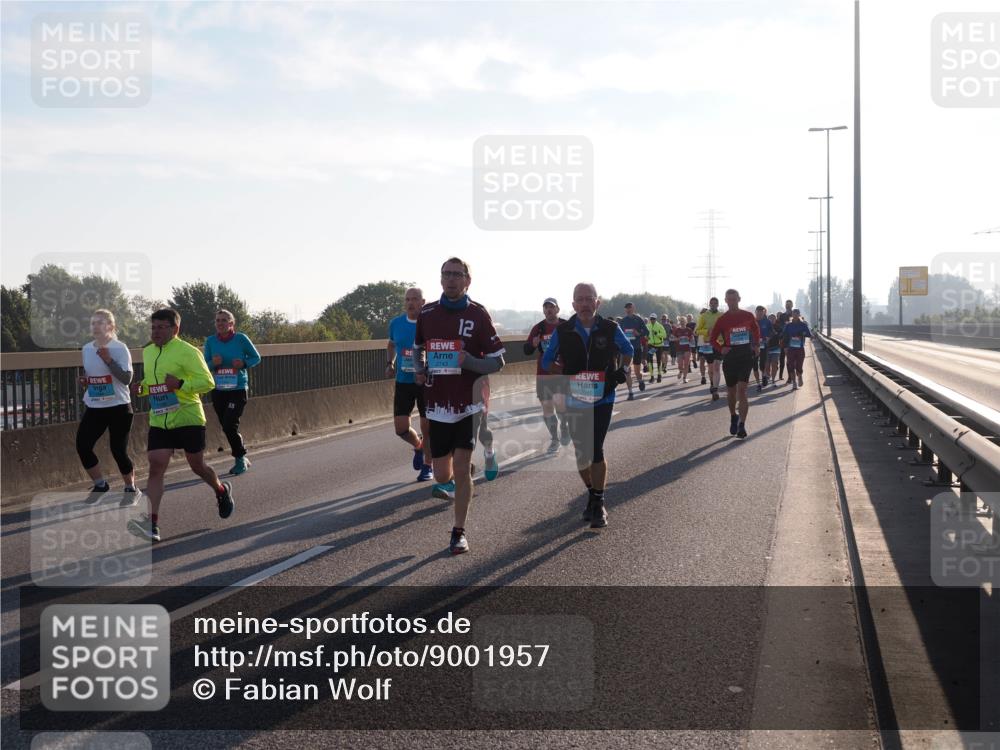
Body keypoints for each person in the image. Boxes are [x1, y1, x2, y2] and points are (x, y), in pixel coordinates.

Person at [414, 258, 505, 555]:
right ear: (440, 280)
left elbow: (498, 360)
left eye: (457, 275)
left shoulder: (477, 314)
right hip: (438, 404)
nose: (451, 279)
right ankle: (453, 479)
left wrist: (471, 362)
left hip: (468, 403)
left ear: (467, 281)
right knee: (442, 475)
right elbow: (418, 351)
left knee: (463, 467)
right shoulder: (427, 314)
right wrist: (420, 369)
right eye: (446, 274)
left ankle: (458, 532)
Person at [127, 309, 234, 543]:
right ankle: (151, 523)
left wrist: (181, 384)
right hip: (160, 419)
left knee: (197, 466)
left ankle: (221, 490)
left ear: (175, 329)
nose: (155, 332)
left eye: (161, 327)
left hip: (188, 418)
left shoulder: (188, 352)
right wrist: (141, 388)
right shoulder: (147, 352)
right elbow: (154, 383)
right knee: (156, 466)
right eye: (153, 327)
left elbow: (208, 382)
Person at [542, 283, 633, 528]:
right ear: (573, 304)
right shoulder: (563, 330)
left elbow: (629, 349)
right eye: (579, 300)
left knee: (596, 448)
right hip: (574, 397)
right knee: (582, 452)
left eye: (588, 299)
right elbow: (547, 359)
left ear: (597, 302)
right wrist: (565, 375)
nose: (584, 304)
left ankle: (599, 502)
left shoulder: (610, 328)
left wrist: (621, 371)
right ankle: (593, 495)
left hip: (603, 396)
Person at [77, 309, 140, 506]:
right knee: (83, 445)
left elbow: (127, 378)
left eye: (100, 322)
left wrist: (109, 360)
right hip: (95, 405)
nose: (95, 326)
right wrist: (87, 381)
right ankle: (100, 484)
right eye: (93, 323)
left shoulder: (120, 348)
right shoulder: (87, 349)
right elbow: (97, 377)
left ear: (110, 326)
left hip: (118, 406)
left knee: (118, 450)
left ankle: (131, 488)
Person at [204, 309, 261, 475]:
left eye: (224, 320)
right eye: (217, 320)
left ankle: (240, 458)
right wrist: (213, 364)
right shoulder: (211, 341)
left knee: (230, 424)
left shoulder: (241, 339)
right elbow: (205, 365)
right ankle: (241, 454)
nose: (220, 323)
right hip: (219, 389)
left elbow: (256, 357)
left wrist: (243, 364)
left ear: (231, 323)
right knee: (227, 427)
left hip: (237, 388)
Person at [387, 288, 434, 482]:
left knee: (427, 426)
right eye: (407, 300)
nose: (410, 303)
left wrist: (426, 369)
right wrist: (390, 363)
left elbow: (437, 348)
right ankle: (418, 446)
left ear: (423, 302)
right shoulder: (396, 323)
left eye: (414, 299)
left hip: (425, 381)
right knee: (401, 429)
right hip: (403, 381)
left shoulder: (430, 323)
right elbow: (391, 344)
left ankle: (427, 465)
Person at [709, 290, 760, 439]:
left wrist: (756, 345)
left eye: (734, 299)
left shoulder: (748, 316)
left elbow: (756, 330)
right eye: (729, 299)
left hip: (745, 356)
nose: (732, 302)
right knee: (731, 392)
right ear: (725, 300)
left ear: (739, 299)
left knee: (742, 390)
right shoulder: (722, 319)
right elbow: (712, 339)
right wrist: (721, 348)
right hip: (730, 357)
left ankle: (742, 425)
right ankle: (733, 416)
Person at [523, 298, 570, 453]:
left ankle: (564, 426)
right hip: (543, 374)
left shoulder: (565, 326)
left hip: (560, 372)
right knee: (547, 408)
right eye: (546, 307)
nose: (549, 310)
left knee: (561, 405)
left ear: (557, 309)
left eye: (552, 307)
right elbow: (526, 350)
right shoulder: (539, 328)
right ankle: (554, 439)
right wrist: (532, 344)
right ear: (543, 310)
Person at [696, 298, 724, 400]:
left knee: (716, 367)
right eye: (711, 303)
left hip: (719, 343)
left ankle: (715, 389)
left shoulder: (721, 315)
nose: (713, 305)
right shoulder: (704, 316)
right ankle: (712, 383)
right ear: (709, 304)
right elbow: (697, 331)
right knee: (711, 368)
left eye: (715, 303)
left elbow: (726, 329)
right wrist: (707, 331)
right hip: (708, 344)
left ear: (718, 304)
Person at [619, 303, 648, 400]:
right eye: (626, 308)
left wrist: (638, 333)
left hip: (636, 348)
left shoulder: (638, 319)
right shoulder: (623, 321)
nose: (628, 310)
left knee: (636, 371)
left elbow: (646, 331)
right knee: (627, 371)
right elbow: (618, 334)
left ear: (633, 308)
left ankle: (640, 380)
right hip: (626, 350)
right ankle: (630, 392)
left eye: (629, 308)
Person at [782, 308, 812, 390]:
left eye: (796, 314)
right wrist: (785, 347)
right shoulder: (788, 325)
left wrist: (802, 333)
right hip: (791, 349)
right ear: (792, 315)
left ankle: (799, 376)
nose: (795, 316)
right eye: (793, 314)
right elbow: (784, 336)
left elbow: (809, 334)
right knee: (791, 366)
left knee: (799, 366)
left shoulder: (803, 325)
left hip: (800, 349)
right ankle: (794, 383)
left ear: (799, 315)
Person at [776, 299, 795, 383]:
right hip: (784, 340)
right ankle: (787, 377)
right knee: (783, 359)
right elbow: (779, 327)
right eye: (787, 304)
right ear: (785, 305)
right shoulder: (782, 316)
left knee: (791, 360)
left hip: (793, 340)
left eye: (789, 305)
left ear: (792, 306)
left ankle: (792, 377)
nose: (788, 306)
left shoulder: (795, 314)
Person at [646, 314, 667, 383]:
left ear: (656, 319)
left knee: (658, 361)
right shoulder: (647, 326)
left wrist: (657, 334)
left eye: (653, 319)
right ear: (650, 319)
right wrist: (646, 337)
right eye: (651, 318)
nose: (652, 320)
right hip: (651, 345)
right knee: (649, 360)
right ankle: (652, 376)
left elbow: (664, 335)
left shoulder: (659, 326)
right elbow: (645, 334)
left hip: (659, 345)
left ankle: (659, 375)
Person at [672, 318, 692, 383]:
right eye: (681, 321)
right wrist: (678, 338)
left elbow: (692, 339)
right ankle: (681, 371)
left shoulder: (688, 330)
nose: (682, 322)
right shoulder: (677, 330)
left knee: (686, 364)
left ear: (686, 322)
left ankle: (684, 378)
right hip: (679, 349)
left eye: (683, 321)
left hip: (687, 349)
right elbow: (673, 338)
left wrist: (688, 338)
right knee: (680, 365)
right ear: (679, 322)